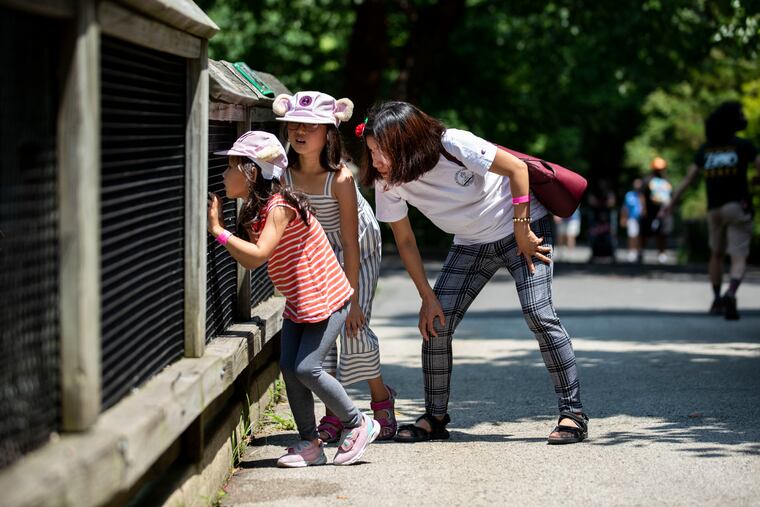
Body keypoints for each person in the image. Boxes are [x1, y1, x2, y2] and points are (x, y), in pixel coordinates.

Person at [358, 101, 588, 444]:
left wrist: (523, 229)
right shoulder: (388, 180)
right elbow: (404, 240)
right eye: (372, 151)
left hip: (520, 229)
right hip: (469, 244)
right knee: (437, 322)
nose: (376, 161)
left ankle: (573, 414)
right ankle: (435, 418)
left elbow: (517, 170)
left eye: (382, 152)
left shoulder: (454, 144)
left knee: (539, 314)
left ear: (406, 145)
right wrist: (427, 297)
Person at [207, 131, 379, 466]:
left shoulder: (280, 206)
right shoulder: (258, 209)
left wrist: (218, 230)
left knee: (307, 367)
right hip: (301, 302)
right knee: (288, 367)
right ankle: (310, 443)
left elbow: (257, 255)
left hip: (328, 299)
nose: (224, 175)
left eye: (231, 168)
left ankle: (359, 422)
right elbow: (248, 258)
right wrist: (227, 230)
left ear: (251, 172)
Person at [272, 91, 397, 441]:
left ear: (328, 133)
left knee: (354, 327)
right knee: (318, 330)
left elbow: (351, 242)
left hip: (357, 248)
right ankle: (333, 413)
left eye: (310, 126)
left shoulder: (340, 178)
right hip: (316, 252)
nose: (299, 131)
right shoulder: (285, 174)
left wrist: (352, 298)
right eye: (294, 124)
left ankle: (381, 399)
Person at [662, 101, 760, 320]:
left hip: (714, 209)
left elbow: (688, 180)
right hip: (738, 207)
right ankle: (731, 292)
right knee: (738, 255)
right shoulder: (744, 146)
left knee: (716, 254)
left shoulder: (707, 149)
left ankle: (716, 299)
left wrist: (670, 205)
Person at [642, 157, 673, 264]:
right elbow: (642, 195)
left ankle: (662, 253)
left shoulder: (667, 181)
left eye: (661, 168)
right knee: (646, 232)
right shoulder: (647, 180)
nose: (660, 171)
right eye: (657, 169)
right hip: (651, 211)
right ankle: (640, 252)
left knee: (663, 233)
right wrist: (644, 209)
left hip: (664, 212)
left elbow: (670, 195)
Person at [621, 178, 644, 262]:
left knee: (639, 236)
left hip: (641, 219)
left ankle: (639, 251)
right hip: (632, 218)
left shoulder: (642, 196)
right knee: (632, 235)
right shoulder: (629, 195)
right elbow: (625, 207)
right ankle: (632, 251)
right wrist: (623, 218)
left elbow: (644, 208)